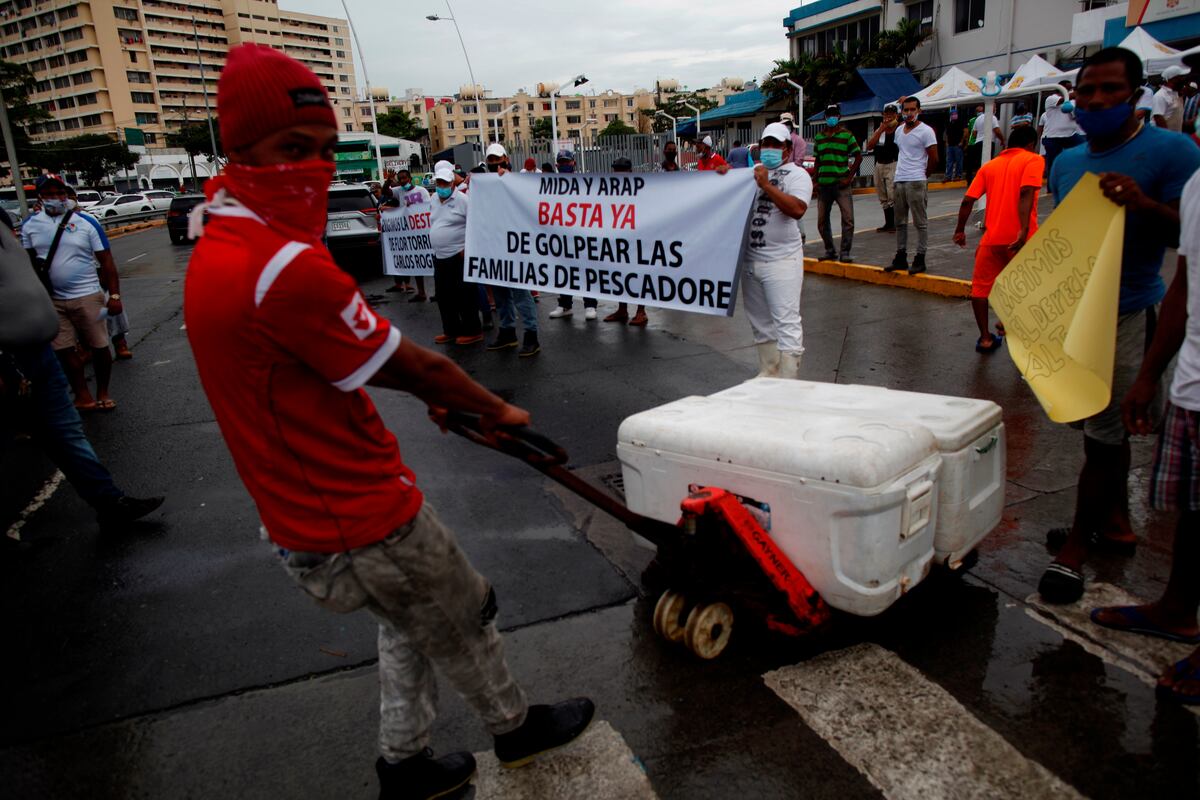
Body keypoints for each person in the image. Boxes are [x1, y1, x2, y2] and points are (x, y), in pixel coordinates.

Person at [183, 45, 595, 799]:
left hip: (306, 514)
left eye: (320, 150)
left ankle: (403, 765)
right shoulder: (281, 266)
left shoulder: (220, 236)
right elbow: (416, 366)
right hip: (358, 514)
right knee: (463, 616)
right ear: (238, 148)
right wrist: (495, 406)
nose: (309, 167)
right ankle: (515, 729)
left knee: (409, 621)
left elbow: (329, 362)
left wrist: (434, 397)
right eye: (289, 149)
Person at [1038, 46, 1200, 604]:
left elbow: (1191, 238)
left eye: (1111, 90)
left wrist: (1145, 206)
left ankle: (1077, 548)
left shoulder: (1172, 152)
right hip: (1077, 319)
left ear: (1135, 96)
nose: (1098, 100)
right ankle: (1118, 526)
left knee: (1106, 438)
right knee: (1094, 431)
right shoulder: (1065, 161)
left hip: (1132, 312)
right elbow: (1062, 244)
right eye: (1087, 91)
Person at [1089, 161, 1200, 706]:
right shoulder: (1199, 182)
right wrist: (1153, 372)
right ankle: (1177, 610)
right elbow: (1185, 279)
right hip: (1193, 380)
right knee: (1191, 511)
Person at [1, 212, 165, 531]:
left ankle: (108, 502)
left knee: (66, 431)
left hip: (38, 352)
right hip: (8, 360)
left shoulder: (5, 223)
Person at [21, 174, 122, 412]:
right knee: (64, 350)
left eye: (59, 193)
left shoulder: (87, 223)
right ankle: (82, 394)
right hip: (52, 300)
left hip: (88, 296)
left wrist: (115, 296)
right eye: (49, 194)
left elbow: (106, 261)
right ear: (40, 197)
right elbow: (27, 263)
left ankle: (103, 392)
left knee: (99, 346)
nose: (55, 198)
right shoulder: (30, 226)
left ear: (66, 195)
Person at [952, 125, 1043, 353]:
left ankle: (985, 338)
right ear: (1031, 144)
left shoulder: (989, 167)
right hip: (1021, 239)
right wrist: (1022, 230)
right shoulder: (1033, 160)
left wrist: (960, 230)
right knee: (1027, 288)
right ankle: (1012, 327)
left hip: (991, 241)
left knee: (980, 290)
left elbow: (967, 200)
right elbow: (1026, 193)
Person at [732, 122, 811, 379]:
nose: (770, 149)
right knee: (760, 323)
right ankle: (769, 371)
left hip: (782, 260)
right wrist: (723, 176)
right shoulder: (754, 172)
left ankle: (789, 380)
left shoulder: (798, 175)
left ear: (787, 148)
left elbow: (797, 209)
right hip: (751, 260)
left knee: (786, 322)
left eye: (776, 145)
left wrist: (767, 186)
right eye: (766, 144)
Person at [482, 144, 541, 356]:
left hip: (516, 249)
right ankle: (507, 333)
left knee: (521, 295)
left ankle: (531, 335)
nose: (495, 164)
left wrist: (509, 180)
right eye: (491, 160)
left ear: (506, 158)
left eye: (498, 159)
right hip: (495, 247)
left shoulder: (519, 181)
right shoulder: (484, 184)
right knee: (500, 294)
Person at [427, 160, 484, 345]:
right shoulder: (434, 199)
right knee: (444, 296)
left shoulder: (463, 200)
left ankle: (473, 330)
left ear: (452, 183)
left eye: (445, 183)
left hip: (458, 255)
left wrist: (467, 248)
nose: (441, 186)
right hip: (440, 256)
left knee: (465, 295)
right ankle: (451, 329)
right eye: (439, 183)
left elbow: (476, 225)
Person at [886, 96, 939, 276]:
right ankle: (901, 256)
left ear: (919, 111)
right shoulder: (900, 131)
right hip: (899, 179)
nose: (909, 113)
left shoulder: (926, 131)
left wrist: (926, 174)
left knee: (920, 222)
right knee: (900, 221)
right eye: (906, 110)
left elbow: (934, 157)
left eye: (912, 110)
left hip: (916, 180)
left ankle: (920, 257)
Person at [549, 150, 599, 319]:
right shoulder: (550, 184)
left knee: (585, 269)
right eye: (561, 162)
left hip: (582, 233)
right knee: (563, 270)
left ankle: (590, 305)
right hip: (561, 233)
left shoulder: (584, 182)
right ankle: (564, 305)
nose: (564, 165)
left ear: (574, 163)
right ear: (557, 165)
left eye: (567, 162)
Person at [602, 158, 649, 326]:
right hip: (618, 238)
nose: (618, 173)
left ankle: (641, 311)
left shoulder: (640, 188)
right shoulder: (611, 190)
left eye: (621, 170)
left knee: (638, 274)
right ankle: (622, 310)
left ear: (629, 171)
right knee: (620, 274)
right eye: (616, 170)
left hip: (637, 239)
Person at [812, 104, 860, 262]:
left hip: (841, 183)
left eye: (834, 115)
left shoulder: (847, 135)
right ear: (825, 117)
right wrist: (816, 179)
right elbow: (818, 159)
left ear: (838, 116)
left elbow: (858, 156)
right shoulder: (819, 137)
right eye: (829, 115)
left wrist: (849, 177)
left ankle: (845, 251)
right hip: (824, 183)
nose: (831, 118)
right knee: (821, 220)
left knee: (848, 219)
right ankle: (829, 250)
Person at [385, 169, 430, 302]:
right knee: (417, 263)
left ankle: (439, 292)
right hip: (409, 233)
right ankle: (421, 292)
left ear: (410, 178)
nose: (403, 181)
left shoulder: (422, 191)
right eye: (400, 179)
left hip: (423, 231)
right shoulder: (399, 191)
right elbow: (385, 192)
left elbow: (427, 208)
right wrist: (388, 181)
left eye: (404, 178)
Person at [1038, 91, 1085, 185]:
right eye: (1067, 89)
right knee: (1053, 163)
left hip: (1070, 135)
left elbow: (1075, 117)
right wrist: (1071, 95)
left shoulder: (1072, 102)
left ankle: (1079, 178)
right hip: (1053, 136)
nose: (1070, 91)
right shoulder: (1051, 98)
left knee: (1085, 149)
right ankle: (1051, 187)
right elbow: (1061, 100)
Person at [867, 102, 900, 233]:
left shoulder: (899, 129)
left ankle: (895, 223)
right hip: (879, 164)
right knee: (882, 194)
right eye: (886, 114)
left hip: (892, 163)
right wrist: (881, 130)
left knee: (892, 194)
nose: (889, 117)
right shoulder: (880, 131)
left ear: (896, 115)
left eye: (892, 114)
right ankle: (888, 223)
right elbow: (869, 146)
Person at [966, 104, 1004, 183]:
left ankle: (978, 180)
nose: (995, 109)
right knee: (987, 163)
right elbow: (997, 130)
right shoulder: (992, 117)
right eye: (995, 107)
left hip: (978, 143)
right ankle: (985, 181)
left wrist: (980, 135)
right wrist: (1002, 140)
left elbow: (974, 133)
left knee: (979, 163)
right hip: (988, 143)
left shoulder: (978, 118)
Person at [1153, 64, 1190, 132]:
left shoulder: (1177, 94)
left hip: (1175, 136)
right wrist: (1169, 138)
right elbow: (1158, 118)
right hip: (1164, 138)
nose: (1184, 79)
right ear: (1173, 79)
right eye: (1181, 77)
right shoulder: (1160, 96)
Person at [944, 109, 966, 182]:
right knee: (949, 161)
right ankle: (948, 176)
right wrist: (947, 142)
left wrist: (962, 141)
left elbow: (965, 132)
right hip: (950, 144)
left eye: (955, 114)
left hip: (958, 144)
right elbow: (946, 134)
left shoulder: (961, 123)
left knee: (959, 161)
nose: (954, 115)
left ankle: (958, 175)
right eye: (952, 114)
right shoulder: (949, 124)